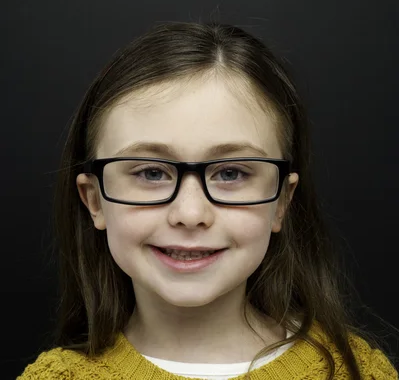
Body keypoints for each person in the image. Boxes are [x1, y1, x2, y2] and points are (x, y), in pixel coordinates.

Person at [17, 21, 398, 380]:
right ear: (94, 200)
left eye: (231, 173)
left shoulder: (359, 372)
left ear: (282, 201)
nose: (190, 213)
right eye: (151, 173)